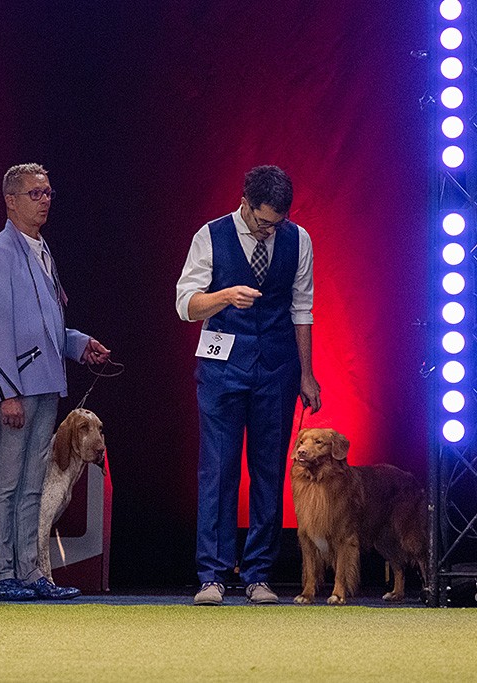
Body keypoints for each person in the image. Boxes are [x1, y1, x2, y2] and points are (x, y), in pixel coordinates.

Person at [176, 165, 321, 606]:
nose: (268, 230)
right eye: (262, 221)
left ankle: (258, 573)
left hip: (275, 370)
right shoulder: (211, 235)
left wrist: (306, 372)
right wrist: (224, 296)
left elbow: (302, 308)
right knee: (218, 471)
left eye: (276, 223)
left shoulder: (299, 240)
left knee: (269, 471)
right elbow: (185, 304)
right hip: (222, 369)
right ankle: (213, 576)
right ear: (244, 202)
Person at [0, 163, 110, 601]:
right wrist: (7, 392)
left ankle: (30, 573)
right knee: (9, 481)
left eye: (48, 192)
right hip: (18, 387)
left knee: (34, 481)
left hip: (47, 382)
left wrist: (78, 343)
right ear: (11, 200)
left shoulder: (42, 250)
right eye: (35, 193)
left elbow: (45, 323)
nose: (45, 199)